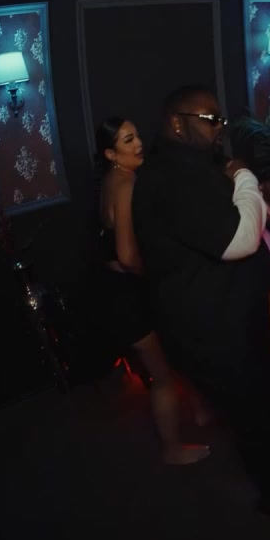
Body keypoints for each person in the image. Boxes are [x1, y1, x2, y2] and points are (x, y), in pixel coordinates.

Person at [132, 86, 270, 539]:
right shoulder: (169, 177)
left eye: (220, 119)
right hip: (213, 326)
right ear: (177, 122)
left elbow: (249, 215)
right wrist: (244, 176)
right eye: (210, 119)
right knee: (256, 413)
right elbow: (239, 239)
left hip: (238, 316)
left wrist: (260, 193)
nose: (219, 127)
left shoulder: (197, 165)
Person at [94, 116, 209, 465]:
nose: (139, 143)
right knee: (162, 376)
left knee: (176, 352)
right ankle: (172, 449)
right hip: (127, 297)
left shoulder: (112, 180)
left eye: (137, 136)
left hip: (119, 291)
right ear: (111, 153)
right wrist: (160, 273)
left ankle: (201, 411)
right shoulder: (125, 185)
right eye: (128, 140)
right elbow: (128, 257)